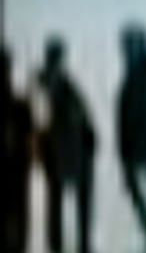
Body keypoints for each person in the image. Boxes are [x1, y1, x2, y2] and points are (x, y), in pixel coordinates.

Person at [110, 29, 146, 252]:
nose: (124, 53)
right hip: (141, 141)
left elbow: (137, 112)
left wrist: (127, 146)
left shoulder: (143, 74)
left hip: (141, 141)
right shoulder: (143, 73)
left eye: (128, 47)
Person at [32, 41, 90, 253]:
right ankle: (61, 245)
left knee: (66, 202)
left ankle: (78, 244)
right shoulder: (45, 85)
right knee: (58, 203)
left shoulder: (62, 83)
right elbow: (42, 123)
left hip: (72, 150)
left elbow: (80, 113)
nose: (60, 62)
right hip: (60, 152)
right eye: (58, 57)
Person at [2, 43, 35, 253]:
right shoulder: (21, 105)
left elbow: (31, 144)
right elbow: (31, 145)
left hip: (16, 174)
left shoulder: (21, 105)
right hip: (16, 175)